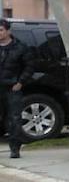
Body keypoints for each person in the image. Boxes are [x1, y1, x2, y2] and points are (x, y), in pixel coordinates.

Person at [0, 19, 33, 159]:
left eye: (1, 30)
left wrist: (20, 82)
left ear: (8, 31)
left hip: (12, 87)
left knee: (14, 119)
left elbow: (30, 66)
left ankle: (15, 149)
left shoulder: (20, 47)